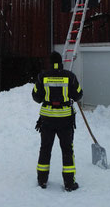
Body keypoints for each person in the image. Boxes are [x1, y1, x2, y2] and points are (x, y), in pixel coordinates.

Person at [32, 51, 83, 191]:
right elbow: (79, 94)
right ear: (61, 62)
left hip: (47, 120)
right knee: (67, 150)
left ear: (50, 63)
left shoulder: (42, 76)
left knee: (45, 149)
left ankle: (42, 180)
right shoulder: (70, 76)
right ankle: (69, 183)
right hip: (65, 120)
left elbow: (36, 97)